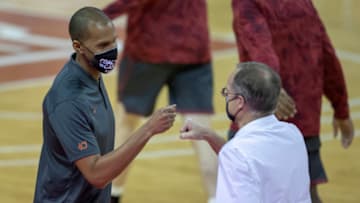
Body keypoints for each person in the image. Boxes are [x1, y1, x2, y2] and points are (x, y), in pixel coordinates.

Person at [33, 7, 177, 203]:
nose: (111, 51)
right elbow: (96, 174)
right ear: (78, 46)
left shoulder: (92, 75)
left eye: (113, 41)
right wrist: (149, 129)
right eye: (102, 46)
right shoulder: (68, 100)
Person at [229, 1, 355, 202]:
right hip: (304, 124)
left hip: (259, 123)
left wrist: (272, 86)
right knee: (307, 195)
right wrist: (341, 109)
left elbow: (258, 43)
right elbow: (327, 53)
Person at [102, 1, 217, 203]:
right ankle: (219, 197)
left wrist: (98, 17)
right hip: (194, 46)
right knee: (202, 133)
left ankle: (111, 197)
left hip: (149, 47)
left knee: (126, 126)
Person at [180, 62, 311, 203]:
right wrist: (209, 135)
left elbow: (241, 157)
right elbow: (252, 157)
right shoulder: (293, 134)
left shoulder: (236, 153)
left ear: (239, 102)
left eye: (227, 93)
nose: (226, 97)